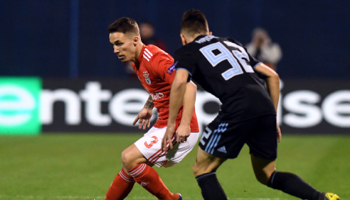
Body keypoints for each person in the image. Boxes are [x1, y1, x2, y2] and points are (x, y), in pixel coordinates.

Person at [162, 9, 340, 200]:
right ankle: (322, 198)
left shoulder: (186, 51)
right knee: (267, 174)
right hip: (264, 106)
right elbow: (273, 76)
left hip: (237, 107)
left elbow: (180, 82)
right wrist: (273, 118)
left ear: (183, 38)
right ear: (210, 33)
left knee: (202, 169)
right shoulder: (232, 43)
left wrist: (172, 124)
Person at [105, 17, 200, 200]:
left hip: (179, 126)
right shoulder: (136, 62)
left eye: (119, 44)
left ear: (134, 40)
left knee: (129, 157)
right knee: (129, 165)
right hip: (164, 123)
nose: (115, 50)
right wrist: (149, 106)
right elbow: (160, 87)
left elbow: (189, 86)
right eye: (113, 45)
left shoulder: (154, 57)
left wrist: (184, 125)